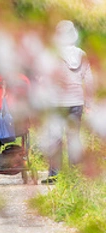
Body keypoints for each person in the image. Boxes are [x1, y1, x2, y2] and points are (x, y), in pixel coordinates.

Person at [39, 20, 95, 185]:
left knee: (55, 138)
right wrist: (89, 104)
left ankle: (54, 175)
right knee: (74, 138)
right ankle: (74, 175)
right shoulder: (82, 54)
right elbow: (89, 80)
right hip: (76, 101)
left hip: (56, 103)